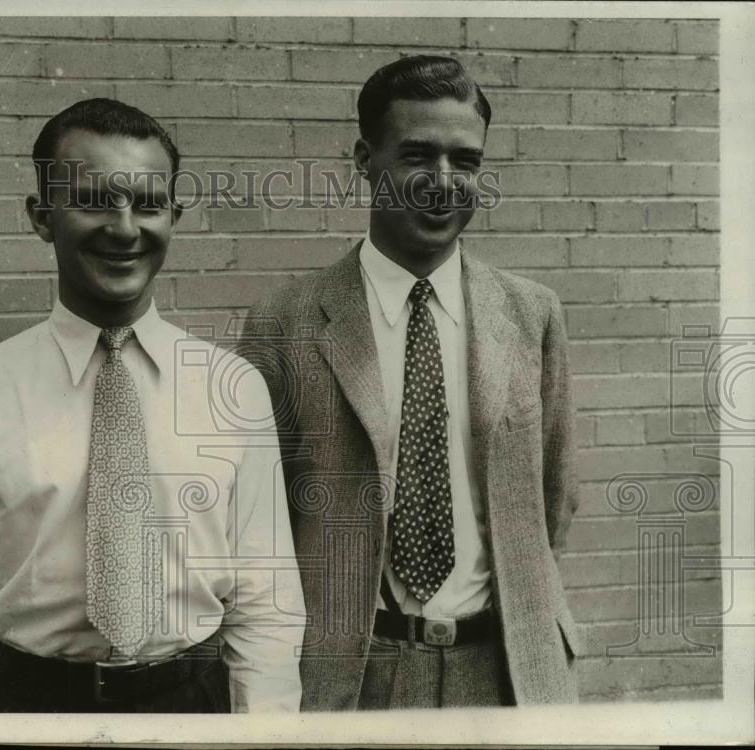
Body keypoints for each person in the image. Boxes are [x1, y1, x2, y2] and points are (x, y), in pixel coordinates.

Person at [0, 98, 305, 713]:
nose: (124, 228)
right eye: (93, 200)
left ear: (174, 215)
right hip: (24, 705)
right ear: (42, 216)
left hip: (190, 705)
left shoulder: (233, 386)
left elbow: (265, 606)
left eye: (148, 203)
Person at [240, 55, 582, 710]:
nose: (443, 182)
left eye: (466, 161)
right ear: (365, 160)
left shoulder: (531, 313)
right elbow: (260, 522)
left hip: (508, 673)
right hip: (352, 673)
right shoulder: (286, 317)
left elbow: (553, 495)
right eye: (418, 155)